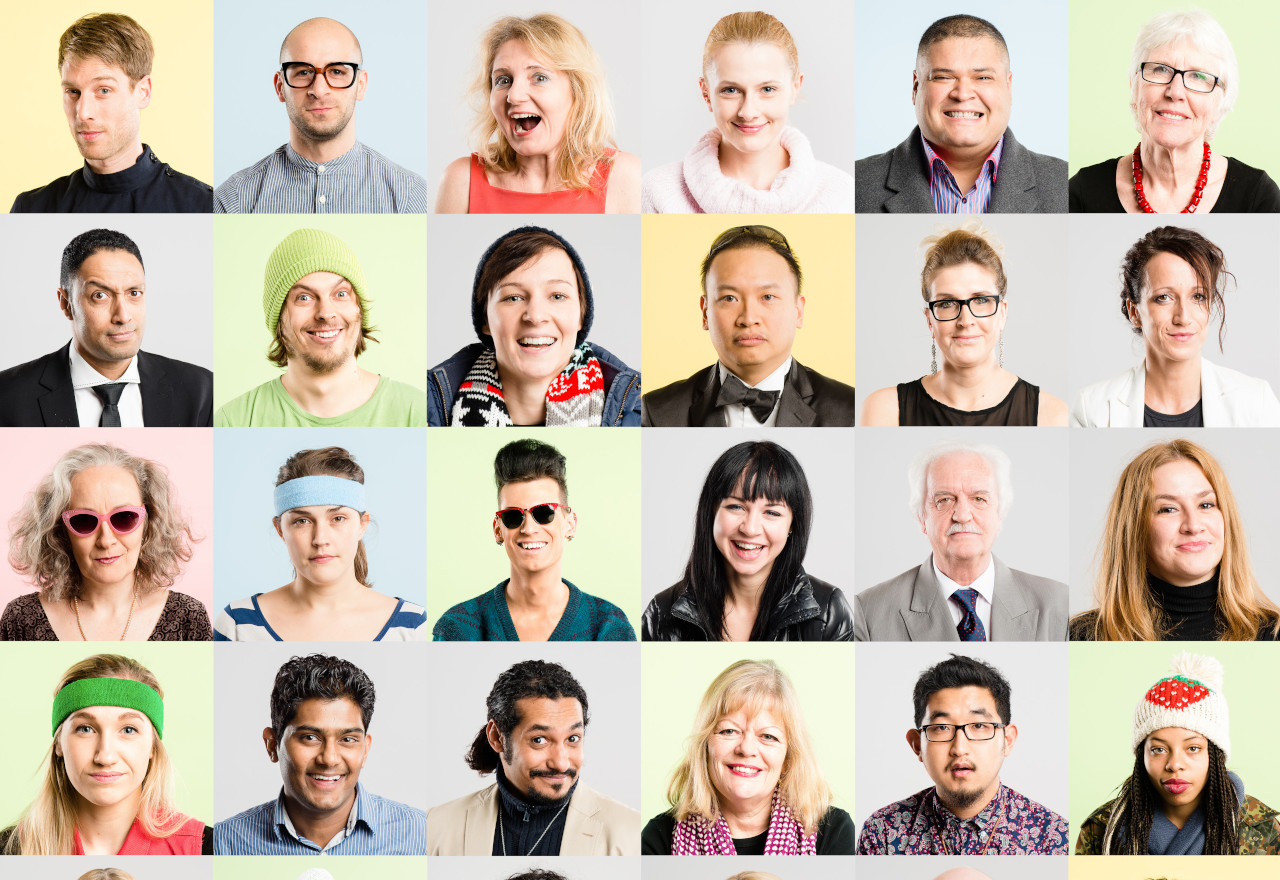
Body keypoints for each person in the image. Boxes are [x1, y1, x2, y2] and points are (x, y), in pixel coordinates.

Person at [854, 440, 1067, 641]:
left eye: (979, 499)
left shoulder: (1058, 603)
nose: (962, 515)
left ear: (1000, 514)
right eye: (945, 499)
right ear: (921, 518)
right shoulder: (868, 612)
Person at [641, 12, 854, 213]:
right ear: (706, 94)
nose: (748, 112)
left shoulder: (840, 195)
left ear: (795, 88)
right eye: (730, 90)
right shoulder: (659, 192)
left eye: (767, 89)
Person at [642, 225, 855, 426]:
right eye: (729, 298)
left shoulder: (849, 409)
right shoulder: (656, 411)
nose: (749, 318)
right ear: (705, 312)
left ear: (798, 311)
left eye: (768, 297)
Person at [1069, 11, 1280, 213]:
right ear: (1134, 86)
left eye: (1197, 76)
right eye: (1160, 69)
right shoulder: (1082, 191)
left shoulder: (1258, 198)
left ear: (1221, 102)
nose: (1175, 92)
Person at [214, 654, 426, 854]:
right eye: (310, 737)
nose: (329, 759)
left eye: (348, 739)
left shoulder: (420, 834)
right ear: (272, 745)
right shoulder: (226, 843)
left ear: (365, 749)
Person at [428, 226, 640, 426]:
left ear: (581, 316)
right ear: (484, 320)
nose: (535, 316)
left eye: (557, 296)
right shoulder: (425, 411)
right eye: (513, 298)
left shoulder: (639, 413)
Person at [1071, 439, 1280, 641]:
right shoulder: (1082, 638)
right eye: (1168, 509)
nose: (1193, 526)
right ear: (1134, 529)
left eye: (1205, 505)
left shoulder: (1274, 635)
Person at [0, 229, 213, 427]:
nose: (123, 316)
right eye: (100, 295)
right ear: (66, 303)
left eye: (134, 293)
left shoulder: (201, 390)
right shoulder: (7, 395)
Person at [857, 654, 1068, 853]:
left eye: (978, 725)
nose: (959, 749)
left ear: (1007, 740)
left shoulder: (1053, 837)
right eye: (942, 727)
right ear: (917, 744)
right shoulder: (882, 833)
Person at [214, 228, 426, 427]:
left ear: (359, 308)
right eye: (304, 297)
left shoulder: (417, 412)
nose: (325, 312)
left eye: (341, 294)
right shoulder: (233, 421)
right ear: (279, 316)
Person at [855, 14, 1066, 213]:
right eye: (943, 77)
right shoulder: (855, 185)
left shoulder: (1063, 184)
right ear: (915, 87)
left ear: (1008, 87)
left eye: (983, 78)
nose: (963, 94)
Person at [0, 653, 209, 854]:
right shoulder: (10, 850)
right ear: (59, 744)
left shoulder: (205, 847)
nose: (105, 757)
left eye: (129, 730)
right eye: (85, 729)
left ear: (153, 747)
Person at [1071, 226, 1280, 427]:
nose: (1183, 317)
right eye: (1164, 297)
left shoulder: (1257, 403)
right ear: (1134, 312)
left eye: (1198, 296)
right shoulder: (1092, 410)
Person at [642, 441, 851, 640]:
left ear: (792, 525)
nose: (750, 529)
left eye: (772, 512)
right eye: (736, 507)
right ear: (712, 512)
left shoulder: (828, 610)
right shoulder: (660, 613)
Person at [214, 18, 427, 213]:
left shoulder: (410, 197)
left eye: (337, 71)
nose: (319, 90)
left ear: (360, 85)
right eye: (303, 72)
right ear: (280, 87)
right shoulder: (233, 200)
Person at [427, 660, 640, 855]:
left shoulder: (630, 833)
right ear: (497, 738)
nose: (561, 763)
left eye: (573, 738)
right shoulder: (436, 826)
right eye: (539, 740)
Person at [861, 223, 1067, 426]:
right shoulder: (884, 410)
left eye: (981, 300)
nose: (966, 321)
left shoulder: (1051, 416)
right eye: (947, 303)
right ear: (929, 320)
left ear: (1002, 313)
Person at [641, 659, 854, 854]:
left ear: (787, 759)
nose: (746, 748)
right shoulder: (659, 838)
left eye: (768, 736)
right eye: (729, 731)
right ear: (705, 745)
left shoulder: (833, 831)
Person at [1075, 652, 1280, 853]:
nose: (1174, 764)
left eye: (1193, 748)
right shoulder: (1100, 829)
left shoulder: (1263, 829)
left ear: (1215, 754)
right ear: (1141, 755)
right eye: (1158, 749)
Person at [2, 443, 210, 641]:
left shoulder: (188, 618)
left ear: (149, 522)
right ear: (61, 531)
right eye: (84, 521)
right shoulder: (21, 619)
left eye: (125, 517)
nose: (106, 540)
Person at [214, 447, 426, 641]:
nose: (320, 539)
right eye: (302, 521)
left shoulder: (413, 626)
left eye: (338, 518)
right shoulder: (236, 624)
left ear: (362, 525)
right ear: (280, 530)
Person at [435, 14, 640, 213]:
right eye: (503, 80)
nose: (514, 96)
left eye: (539, 78)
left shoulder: (624, 176)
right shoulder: (461, 180)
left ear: (578, 91)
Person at [433, 439, 634, 640]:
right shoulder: (456, 629)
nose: (528, 529)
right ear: (498, 529)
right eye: (513, 516)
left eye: (544, 513)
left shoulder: (609, 627)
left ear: (570, 524)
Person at [10, 14, 211, 212]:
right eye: (73, 92)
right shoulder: (31, 210)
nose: (83, 113)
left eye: (104, 90)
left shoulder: (203, 207)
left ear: (143, 92)